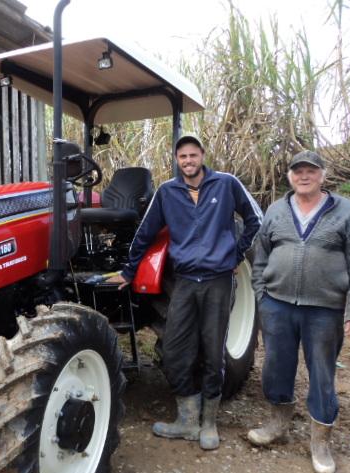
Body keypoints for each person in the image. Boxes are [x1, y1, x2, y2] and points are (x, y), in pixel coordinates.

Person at [108, 134, 262, 450]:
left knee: (213, 348)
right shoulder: (167, 192)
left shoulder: (226, 184)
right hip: (187, 281)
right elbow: (144, 233)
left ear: (202, 155)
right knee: (175, 349)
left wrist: (235, 255)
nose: (188, 161)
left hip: (218, 281)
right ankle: (187, 419)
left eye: (193, 155)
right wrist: (127, 271)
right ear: (177, 161)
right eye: (183, 157)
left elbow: (254, 221)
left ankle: (208, 423)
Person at [247, 151, 350, 473]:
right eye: (297, 171)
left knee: (322, 373)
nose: (304, 176)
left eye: (311, 171)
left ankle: (320, 441)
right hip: (278, 305)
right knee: (276, 366)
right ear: (289, 176)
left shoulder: (344, 211)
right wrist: (262, 297)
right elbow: (260, 257)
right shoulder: (276, 210)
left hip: (325, 310)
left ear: (323, 175)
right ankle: (278, 423)